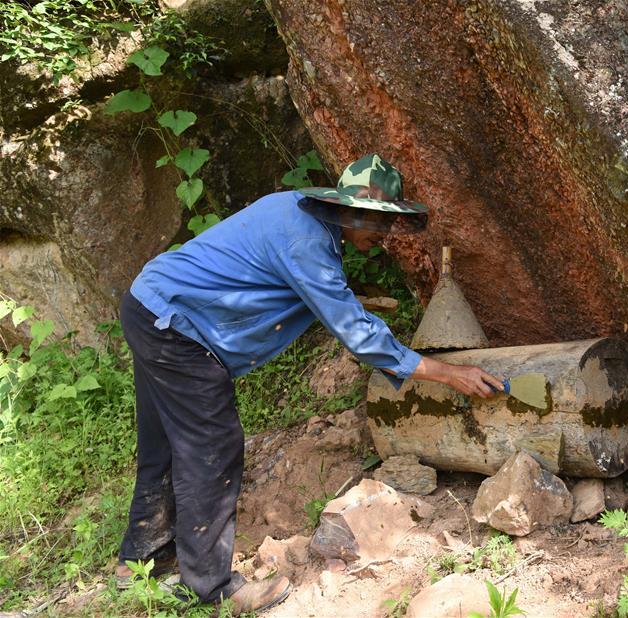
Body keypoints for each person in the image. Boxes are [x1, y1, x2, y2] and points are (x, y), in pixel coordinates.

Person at [115, 154, 503, 613]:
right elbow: (359, 336)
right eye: (376, 222)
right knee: (212, 446)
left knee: (162, 441)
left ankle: (140, 560)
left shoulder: (299, 217)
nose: (381, 235)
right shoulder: (307, 241)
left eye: (387, 224)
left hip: (150, 305)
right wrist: (450, 373)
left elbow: (281, 280)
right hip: (177, 328)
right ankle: (211, 587)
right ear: (350, 209)